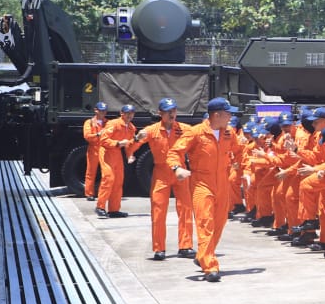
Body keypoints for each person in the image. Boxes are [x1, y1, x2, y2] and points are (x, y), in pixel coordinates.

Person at [168, 97, 240, 282]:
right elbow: (174, 152)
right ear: (217, 115)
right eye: (228, 113)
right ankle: (210, 266)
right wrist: (177, 168)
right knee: (205, 222)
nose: (231, 116)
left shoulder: (228, 132)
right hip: (202, 184)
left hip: (222, 183)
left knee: (220, 222)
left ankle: (202, 255)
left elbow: (240, 149)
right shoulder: (196, 132)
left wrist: (240, 165)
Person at [140, 98, 195, 261]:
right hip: (161, 173)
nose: (172, 114)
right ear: (160, 113)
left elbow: (198, 137)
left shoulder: (185, 129)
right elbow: (134, 142)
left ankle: (185, 246)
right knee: (158, 209)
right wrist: (136, 139)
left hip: (180, 171)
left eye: (174, 111)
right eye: (168, 111)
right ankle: (159, 249)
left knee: (185, 208)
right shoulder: (152, 130)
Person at [96, 104, 138, 218]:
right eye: (127, 113)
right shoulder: (113, 124)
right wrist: (118, 143)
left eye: (132, 113)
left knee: (118, 181)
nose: (130, 115)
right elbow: (103, 140)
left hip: (117, 154)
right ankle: (100, 206)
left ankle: (113, 210)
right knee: (108, 178)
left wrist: (130, 155)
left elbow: (129, 145)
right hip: (107, 152)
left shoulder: (131, 128)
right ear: (122, 113)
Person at [83, 102, 108, 200]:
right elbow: (87, 136)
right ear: (95, 110)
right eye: (101, 110)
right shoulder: (89, 122)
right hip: (93, 149)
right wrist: (98, 134)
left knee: (105, 173)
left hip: (105, 149)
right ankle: (89, 194)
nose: (103, 113)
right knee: (90, 172)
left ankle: (103, 193)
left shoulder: (108, 123)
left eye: (104, 111)